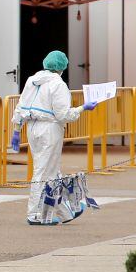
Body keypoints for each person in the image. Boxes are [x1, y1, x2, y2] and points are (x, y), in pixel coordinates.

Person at [11, 50, 98, 225]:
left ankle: (64, 211)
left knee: (51, 171)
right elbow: (63, 115)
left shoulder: (32, 80)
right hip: (49, 129)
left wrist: (16, 129)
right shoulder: (58, 85)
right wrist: (83, 108)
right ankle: (34, 214)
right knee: (43, 172)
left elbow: (20, 106)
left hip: (32, 127)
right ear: (62, 67)